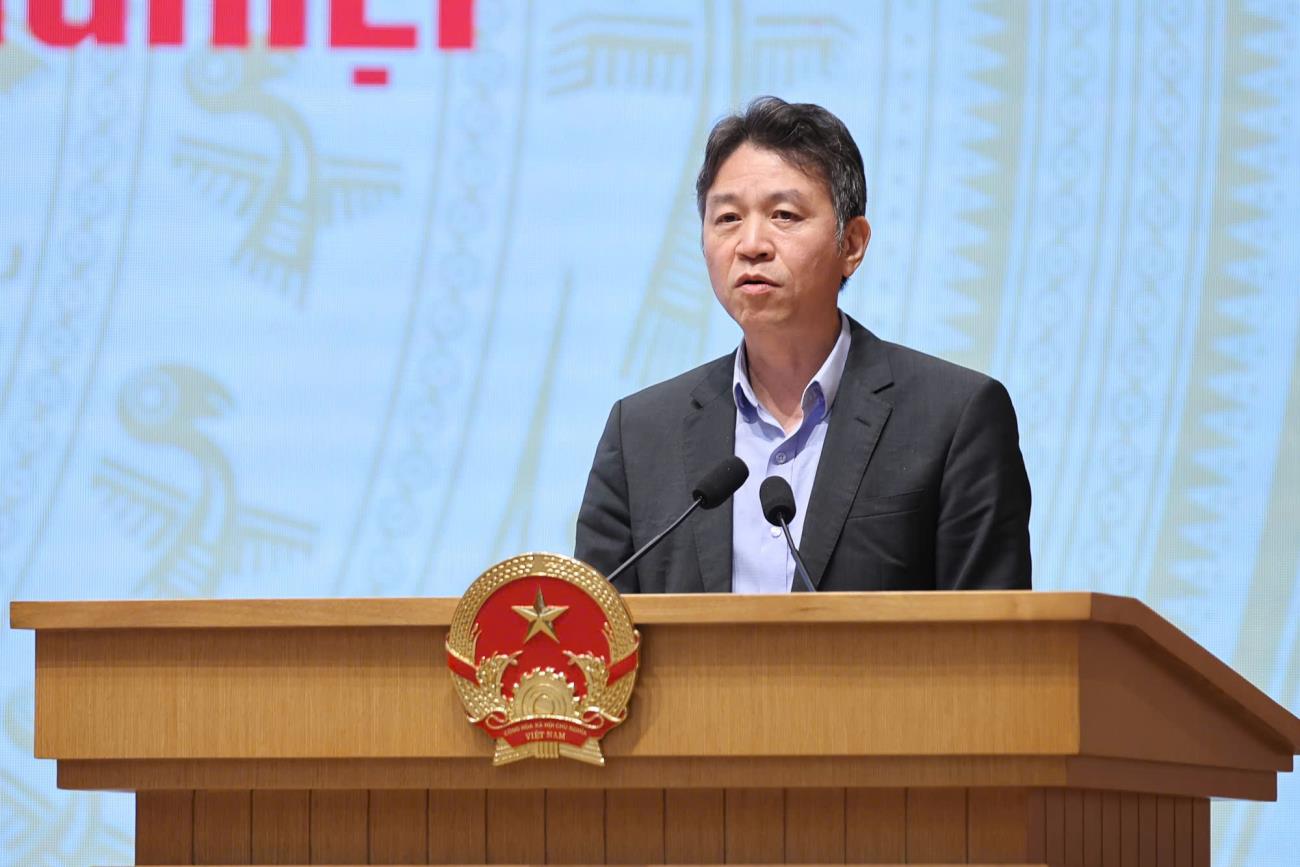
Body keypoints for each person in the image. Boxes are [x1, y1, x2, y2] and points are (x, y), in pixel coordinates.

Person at [575, 96, 1031, 593]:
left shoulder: (953, 419)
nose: (751, 244)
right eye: (727, 218)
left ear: (851, 244)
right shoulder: (640, 436)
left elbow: (992, 632)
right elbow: (595, 627)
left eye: (784, 215)